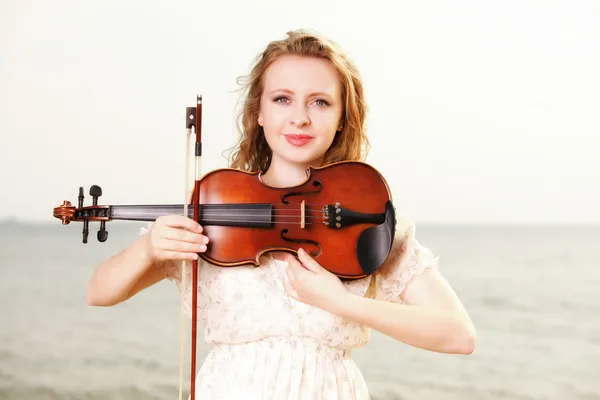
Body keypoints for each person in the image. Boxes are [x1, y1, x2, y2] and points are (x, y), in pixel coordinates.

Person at [85, 29, 476, 399]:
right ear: (258, 112)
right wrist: (149, 248)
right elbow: (99, 293)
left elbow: (458, 334)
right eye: (282, 99)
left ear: (343, 118)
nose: (300, 118)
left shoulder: (367, 216)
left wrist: (342, 302)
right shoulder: (217, 209)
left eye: (320, 101)